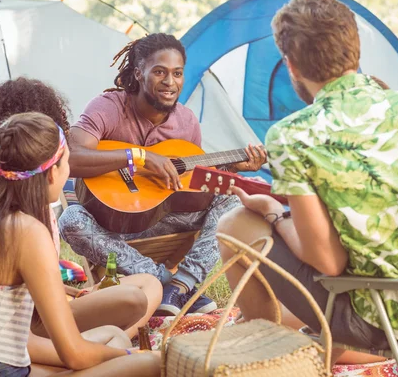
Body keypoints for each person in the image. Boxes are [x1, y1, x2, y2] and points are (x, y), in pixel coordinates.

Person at [216, 0, 398, 364]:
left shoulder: (295, 135)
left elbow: (327, 263)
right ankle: (316, 348)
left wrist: (274, 212)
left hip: (385, 322)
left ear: (290, 66)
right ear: (355, 48)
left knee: (234, 223)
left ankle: (275, 359)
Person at [0, 78, 161, 343]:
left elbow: (22, 277)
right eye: (66, 162)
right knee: (137, 298)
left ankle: (111, 339)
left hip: (32, 315)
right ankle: (113, 341)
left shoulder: (8, 191)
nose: (70, 169)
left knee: (147, 284)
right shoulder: (20, 221)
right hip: (30, 323)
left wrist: (72, 291)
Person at [59, 33, 266, 316]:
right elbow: (72, 158)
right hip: (110, 224)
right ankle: (166, 281)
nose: (170, 82)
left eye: (177, 73)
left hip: (162, 219)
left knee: (238, 199)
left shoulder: (187, 122)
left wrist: (230, 169)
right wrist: (140, 157)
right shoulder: (108, 107)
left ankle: (183, 283)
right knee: (70, 220)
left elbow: (190, 185)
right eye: (159, 72)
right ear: (138, 73)